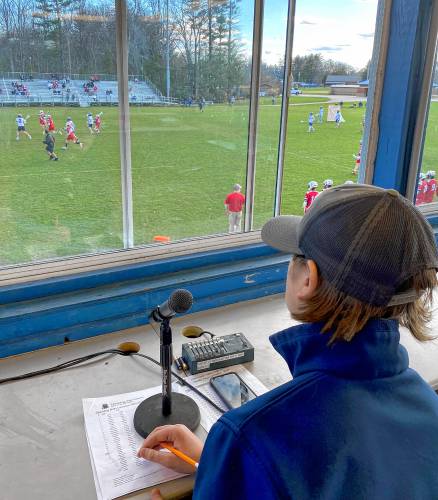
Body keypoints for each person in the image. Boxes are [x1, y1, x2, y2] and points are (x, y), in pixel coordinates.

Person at [137, 183, 438, 500]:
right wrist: (219, 463)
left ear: (308, 278)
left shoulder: (253, 434)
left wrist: (238, 455)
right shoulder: (427, 405)